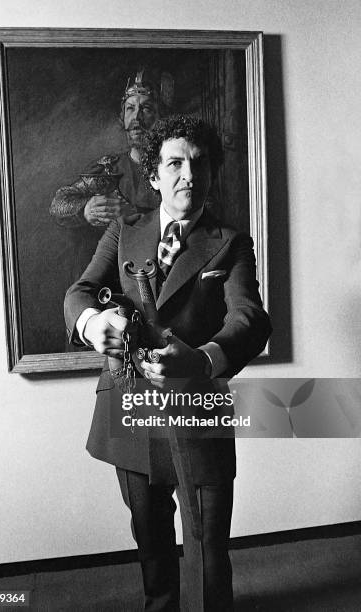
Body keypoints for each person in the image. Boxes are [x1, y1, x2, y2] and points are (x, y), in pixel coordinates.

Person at [64, 115, 271, 611]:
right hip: (129, 409)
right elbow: (81, 292)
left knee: (205, 545)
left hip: (197, 407)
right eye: (175, 163)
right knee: (151, 539)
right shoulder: (122, 230)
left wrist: (201, 361)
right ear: (154, 176)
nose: (189, 176)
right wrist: (97, 326)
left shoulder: (231, 242)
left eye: (198, 165)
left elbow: (250, 319)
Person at [50, 68, 173, 229]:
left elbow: (203, 214)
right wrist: (86, 208)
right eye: (130, 108)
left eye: (146, 109)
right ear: (123, 116)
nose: (136, 117)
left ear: (160, 118)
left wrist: (135, 214)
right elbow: (59, 203)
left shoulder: (177, 166)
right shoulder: (110, 167)